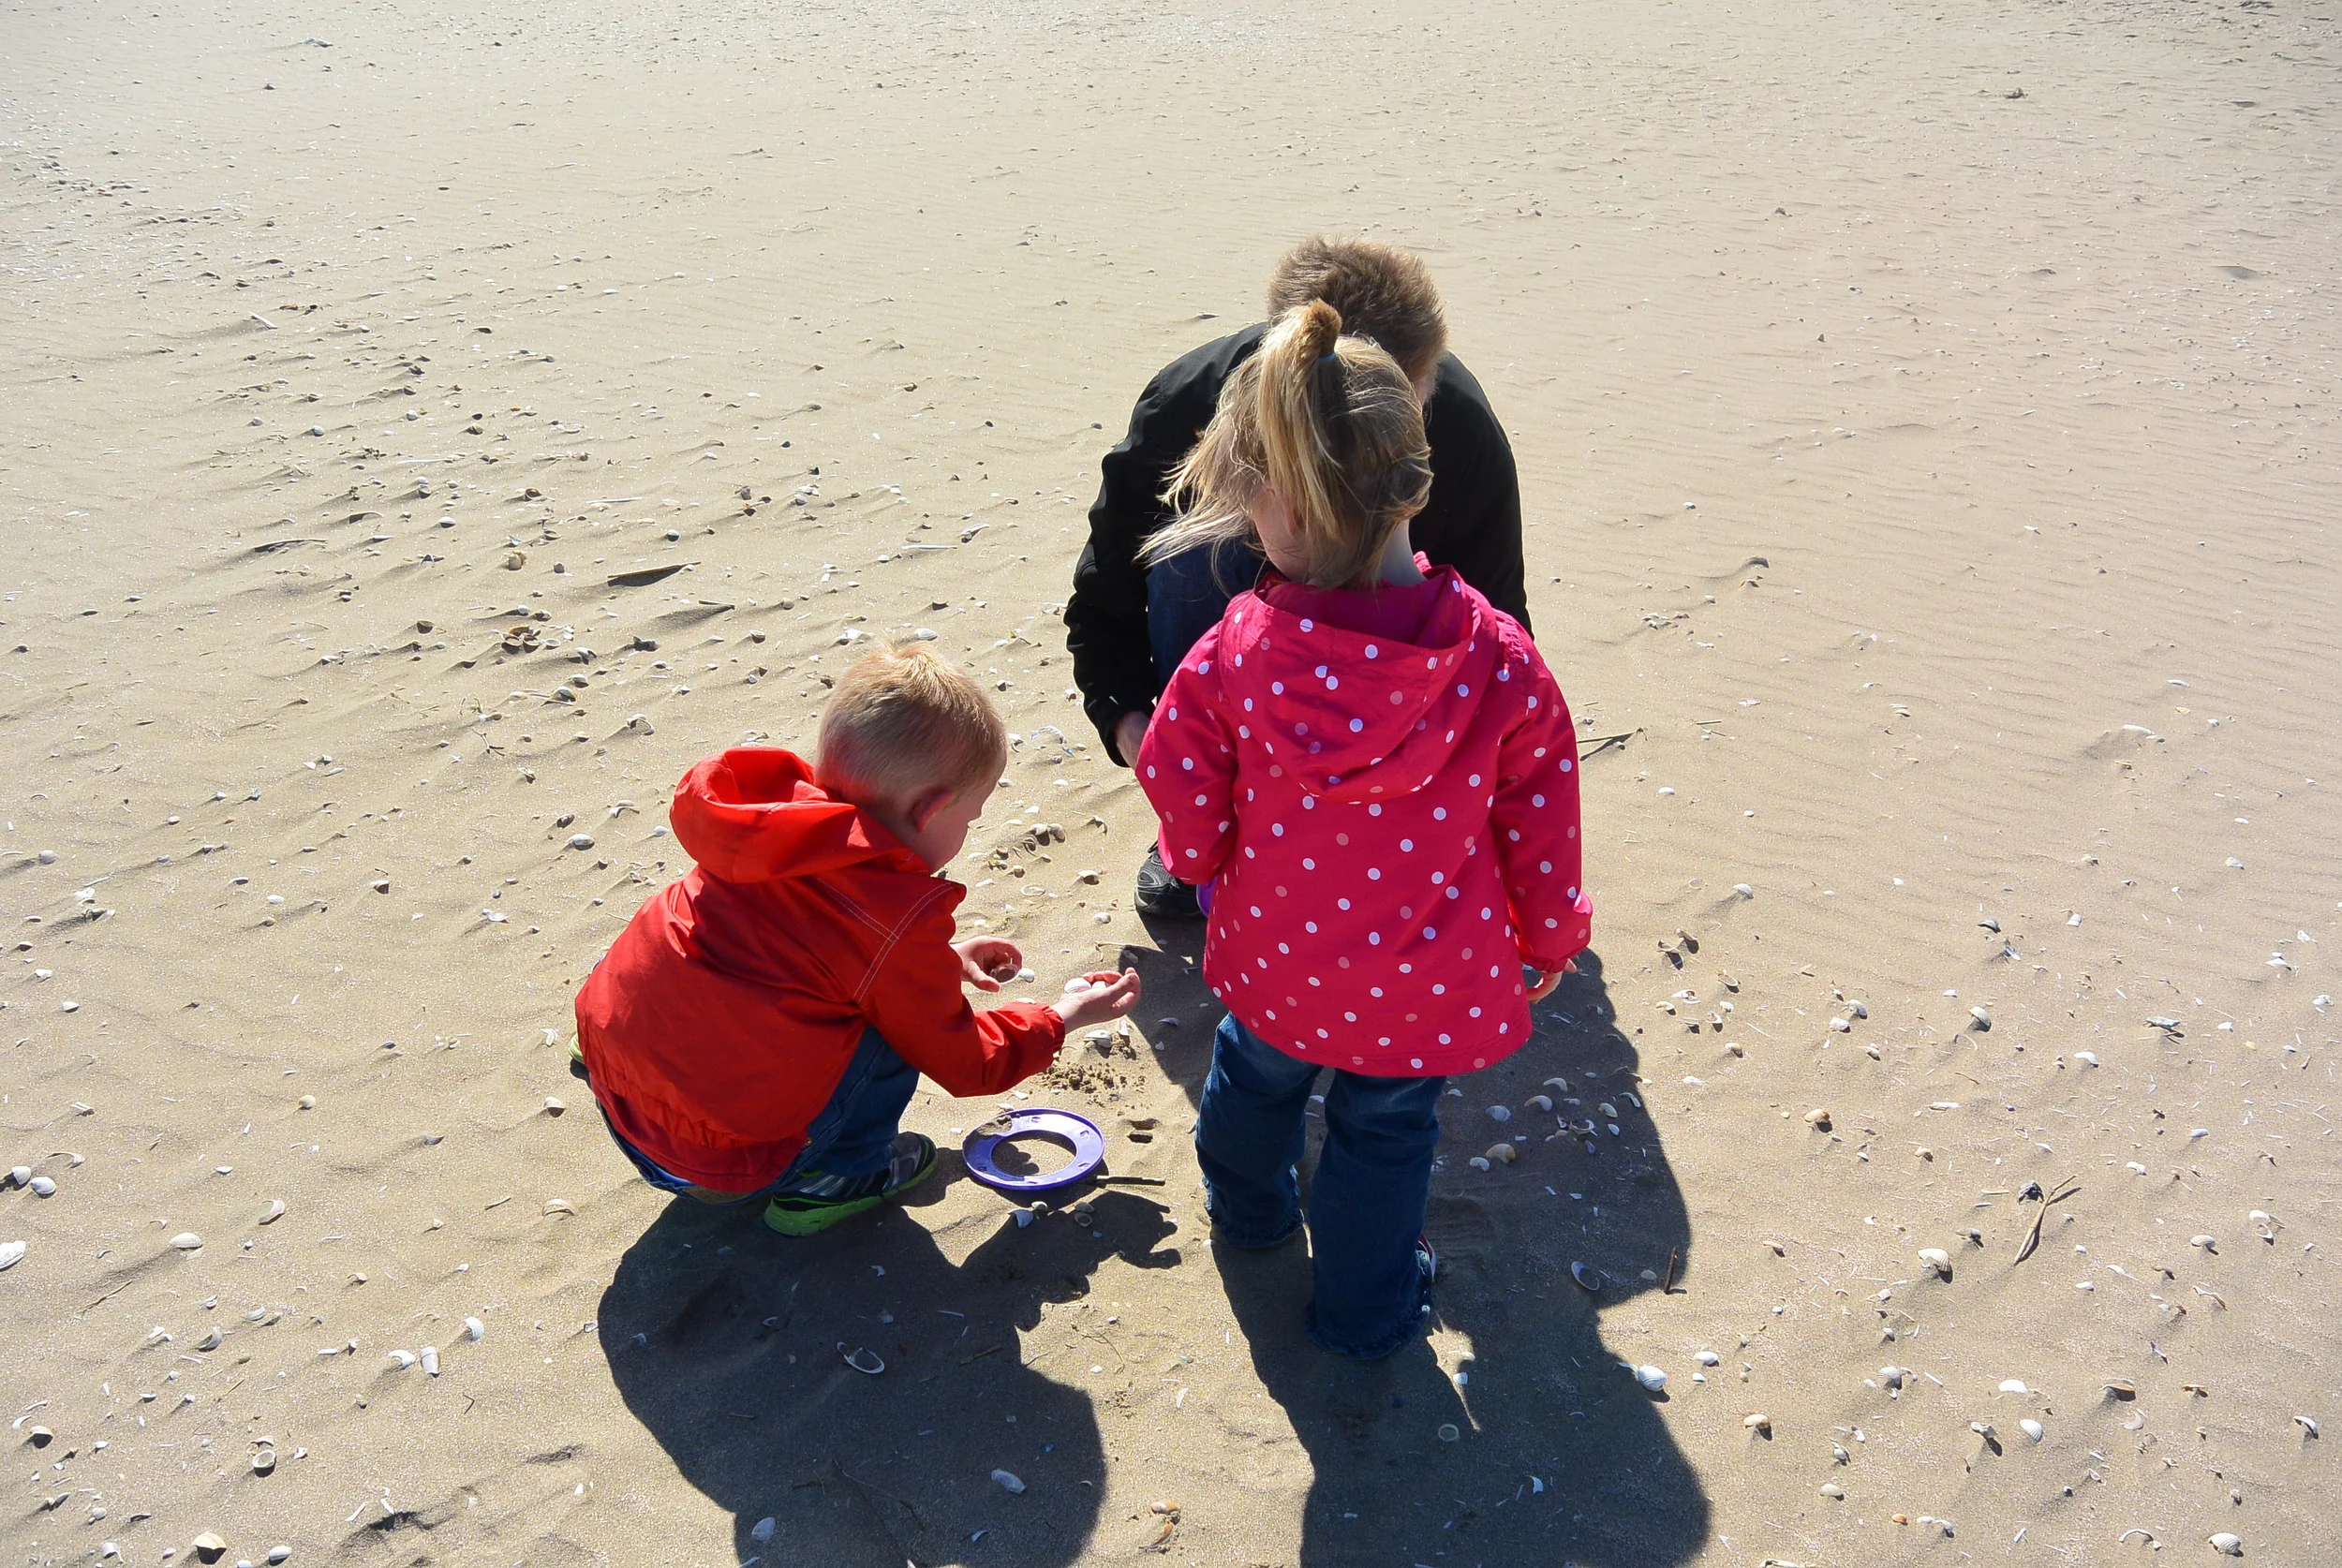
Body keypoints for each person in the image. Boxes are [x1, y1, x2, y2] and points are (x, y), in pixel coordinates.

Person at [1135, 301, 1590, 1359]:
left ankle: (1250, 1218)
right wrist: (1550, 934)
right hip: (1423, 980)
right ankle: (1365, 1311)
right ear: (1413, 479)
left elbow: (1177, 776)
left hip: (1277, 957)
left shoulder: (1234, 651)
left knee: (1253, 1079)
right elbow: (1542, 813)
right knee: (1384, 1138)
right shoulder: (1498, 658)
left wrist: (1202, 870)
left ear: (1279, 513)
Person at [573, 643, 1141, 1236]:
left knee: (695, 926)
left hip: (616, 1086)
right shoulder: (893, 921)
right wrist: (1062, 1017)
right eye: (969, 818)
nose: (968, 831)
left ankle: (608, 1056)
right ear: (929, 809)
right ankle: (834, 1179)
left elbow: (801, 951)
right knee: (888, 1033)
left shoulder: (765, 833)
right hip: (720, 1167)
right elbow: (965, 1062)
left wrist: (937, 961)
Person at [1066, 236, 1530, 918]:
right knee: (1190, 548)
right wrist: (1131, 722)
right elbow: (1107, 586)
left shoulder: (1462, 431)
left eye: (1401, 410)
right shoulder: (1191, 406)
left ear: (1426, 382)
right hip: (1236, 668)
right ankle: (1218, 822)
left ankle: (1389, 828)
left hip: (1400, 683)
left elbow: (1501, 632)